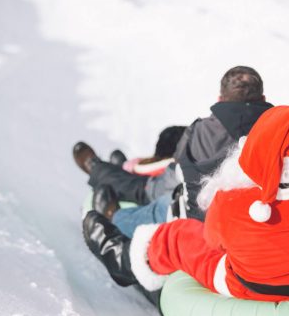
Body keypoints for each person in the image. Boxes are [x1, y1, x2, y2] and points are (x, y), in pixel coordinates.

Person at [82, 0, 289, 299]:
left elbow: (213, 239)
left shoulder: (233, 200)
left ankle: (122, 251)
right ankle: (114, 182)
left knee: (178, 235)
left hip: (250, 285)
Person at [73, 66, 273, 238]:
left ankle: (102, 180)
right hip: (246, 218)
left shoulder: (200, 130)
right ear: (263, 99)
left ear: (220, 99)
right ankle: (114, 171)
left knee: (147, 189)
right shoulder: (275, 131)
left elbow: (179, 164)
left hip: (193, 211)